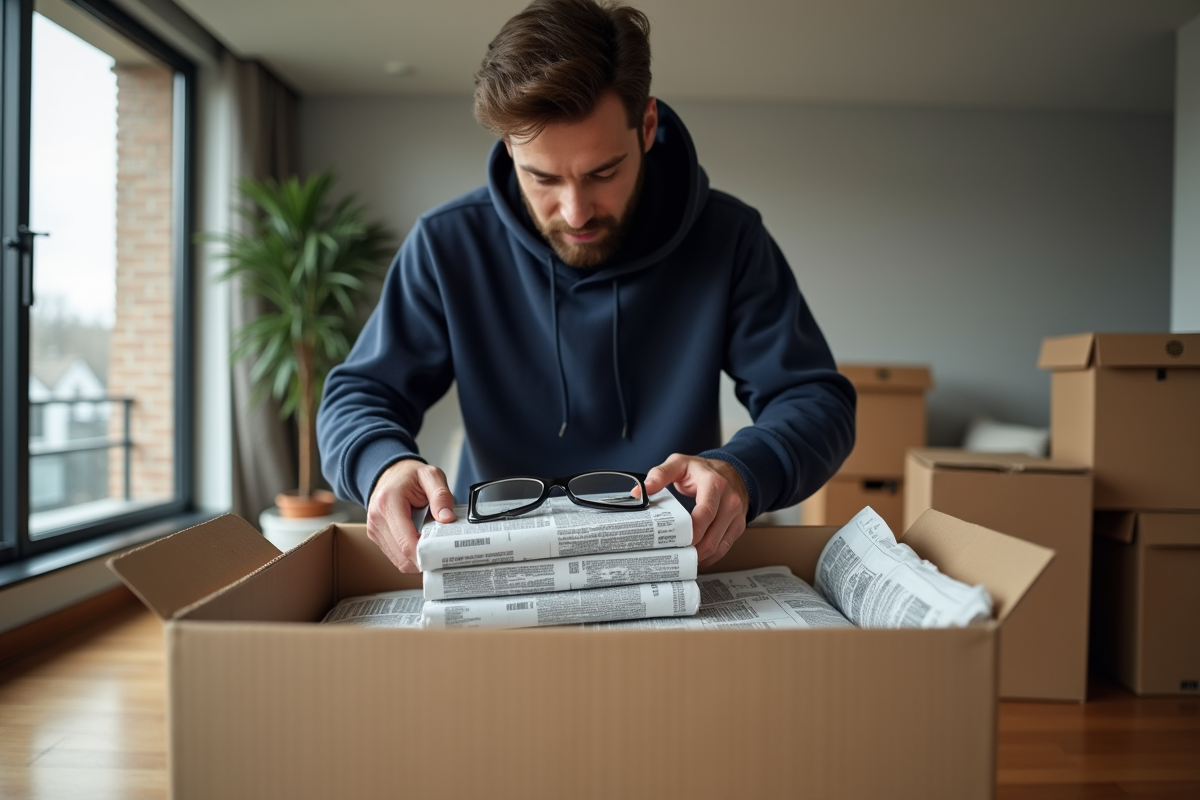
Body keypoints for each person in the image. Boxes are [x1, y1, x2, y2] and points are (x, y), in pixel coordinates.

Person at [316, 0, 856, 574]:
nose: (575, 212)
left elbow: (815, 400)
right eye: (543, 178)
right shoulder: (447, 244)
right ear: (508, 150)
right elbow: (358, 396)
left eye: (603, 172)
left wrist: (743, 470)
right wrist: (383, 467)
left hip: (671, 560)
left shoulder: (730, 238)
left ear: (646, 127)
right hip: (494, 562)